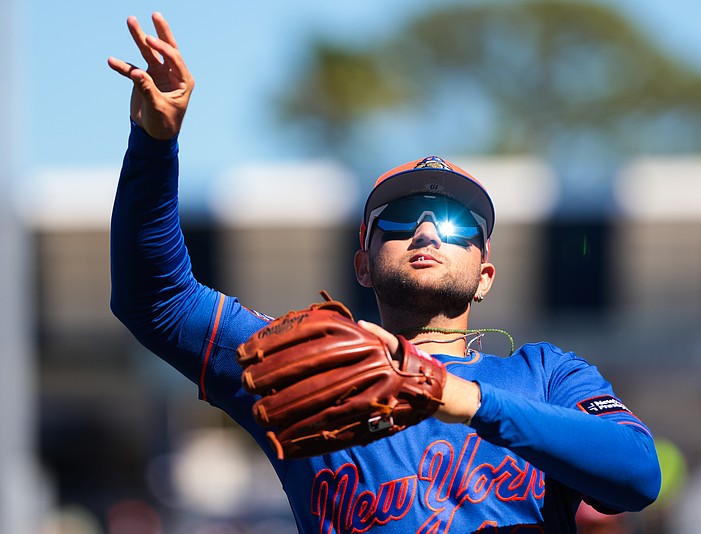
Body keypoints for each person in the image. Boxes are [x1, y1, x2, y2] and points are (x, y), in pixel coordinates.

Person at [107, 13, 661, 533]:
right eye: (396, 219)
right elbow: (157, 301)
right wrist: (155, 147)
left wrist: (463, 398)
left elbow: (639, 475)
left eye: (455, 222)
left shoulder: (545, 375)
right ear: (363, 267)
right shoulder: (301, 364)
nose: (425, 231)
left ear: (486, 275)